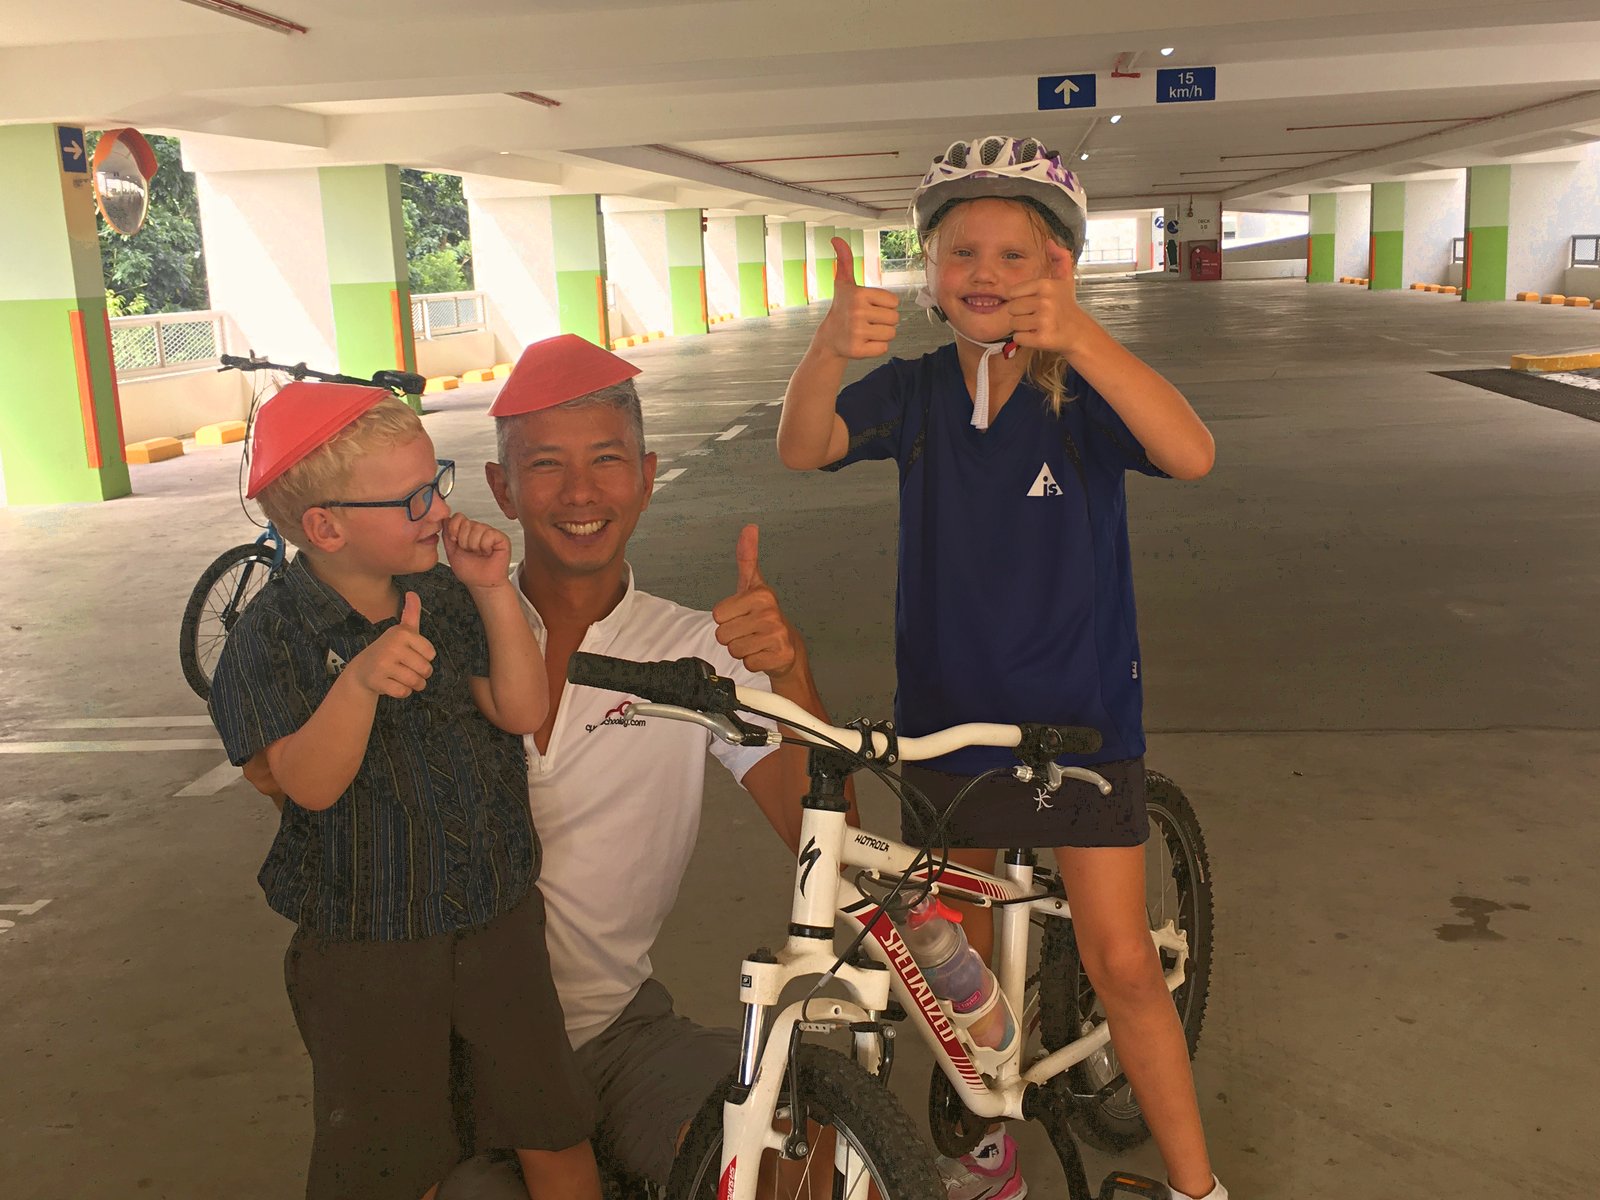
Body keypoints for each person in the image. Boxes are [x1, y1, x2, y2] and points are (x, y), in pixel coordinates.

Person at [775, 135, 1223, 1200]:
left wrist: (1087, 336)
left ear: (1058, 269)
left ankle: (1198, 1186)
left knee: (1121, 965)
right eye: (960, 250)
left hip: (1077, 725)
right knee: (956, 976)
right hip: (949, 726)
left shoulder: (1081, 392)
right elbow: (805, 445)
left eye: (1016, 254)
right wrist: (826, 352)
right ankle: (991, 1135)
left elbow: (1191, 451)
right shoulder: (919, 392)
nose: (985, 272)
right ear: (928, 272)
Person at [438, 335, 832, 1196]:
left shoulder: (696, 652)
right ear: (501, 487)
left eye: (606, 461)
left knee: (789, 1165)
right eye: (545, 465)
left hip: (618, 1033)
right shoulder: (440, 638)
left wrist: (791, 675)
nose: (581, 494)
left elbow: (816, 830)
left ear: (646, 475)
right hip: (456, 1047)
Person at [208, 382, 601, 1200]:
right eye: (414, 497)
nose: (437, 510)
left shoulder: (449, 596)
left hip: (495, 919)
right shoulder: (270, 637)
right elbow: (305, 787)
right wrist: (354, 688)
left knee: (551, 1125)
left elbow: (524, 710)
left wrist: (494, 591)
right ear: (326, 527)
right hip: (368, 948)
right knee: (393, 1163)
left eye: (439, 482)